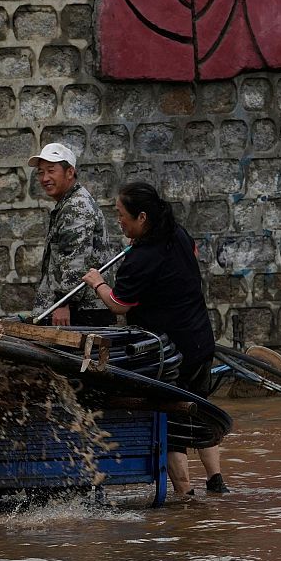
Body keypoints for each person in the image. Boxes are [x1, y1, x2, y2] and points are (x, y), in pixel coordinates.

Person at [82, 182, 230, 498]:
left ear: (143, 217)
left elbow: (119, 304)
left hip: (170, 352)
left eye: (122, 215)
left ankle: (185, 499)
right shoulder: (179, 235)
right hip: (201, 339)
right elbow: (190, 256)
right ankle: (216, 482)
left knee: (171, 423)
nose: (118, 221)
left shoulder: (141, 259)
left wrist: (97, 283)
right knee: (200, 409)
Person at [27, 142, 112, 326]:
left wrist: (64, 302)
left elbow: (76, 258)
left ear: (70, 172)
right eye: (41, 172)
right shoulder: (68, 203)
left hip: (80, 310)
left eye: (51, 170)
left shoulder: (76, 206)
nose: (44, 178)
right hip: (76, 307)